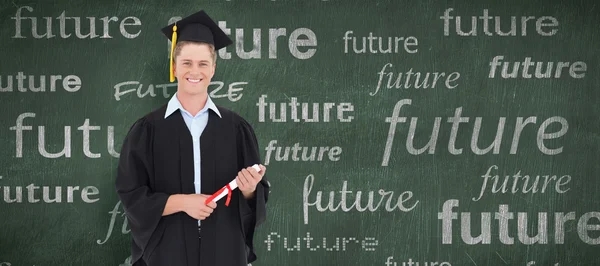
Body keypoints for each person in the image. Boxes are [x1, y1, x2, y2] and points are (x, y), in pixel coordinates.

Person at [114, 10, 269, 266]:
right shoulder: (147, 130)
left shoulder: (236, 128)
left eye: (202, 63)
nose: (194, 71)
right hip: (166, 252)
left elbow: (256, 201)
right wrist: (181, 202)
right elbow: (131, 194)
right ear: (174, 67)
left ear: (213, 69)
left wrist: (250, 189)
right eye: (186, 62)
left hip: (225, 252)